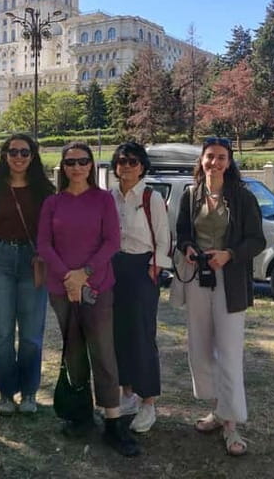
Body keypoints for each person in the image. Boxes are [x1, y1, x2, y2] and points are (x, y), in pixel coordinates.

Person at [37, 142, 139, 457]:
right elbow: (44, 244)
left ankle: (112, 422)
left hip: (97, 286)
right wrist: (68, 277)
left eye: (83, 161)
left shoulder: (103, 199)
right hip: (62, 289)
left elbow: (111, 241)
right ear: (63, 167)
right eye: (70, 162)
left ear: (91, 165)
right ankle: (80, 416)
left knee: (103, 353)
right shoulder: (53, 203)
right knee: (75, 354)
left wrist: (85, 273)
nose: (77, 167)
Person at [175, 137, 265, 456]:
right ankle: (217, 409)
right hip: (198, 279)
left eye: (221, 157)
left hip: (231, 282)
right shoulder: (190, 195)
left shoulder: (242, 197)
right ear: (201, 160)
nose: (215, 162)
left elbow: (256, 240)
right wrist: (187, 248)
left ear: (229, 162)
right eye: (210, 156)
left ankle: (231, 424)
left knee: (228, 352)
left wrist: (229, 254)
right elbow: (182, 234)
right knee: (199, 350)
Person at [0, 133, 55, 416]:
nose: (18, 158)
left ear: (32, 156)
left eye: (24, 153)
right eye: (13, 152)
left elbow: (51, 228)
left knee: (32, 333)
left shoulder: (44, 190)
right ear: (5, 155)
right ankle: (6, 394)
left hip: (33, 262)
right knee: (2, 333)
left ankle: (30, 393)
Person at [108, 142, 171, 433]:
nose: (127, 166)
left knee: (143, 335)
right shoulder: (109, 197)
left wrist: (154, 269)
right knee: (118, 333)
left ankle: (149, 402)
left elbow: (163, 239)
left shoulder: (150, 197)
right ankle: (127, 394)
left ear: (142, 166)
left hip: (142, 268)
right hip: (114, 269)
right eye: (122, 161)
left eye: (133, 162)